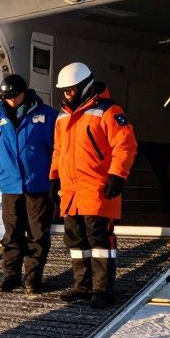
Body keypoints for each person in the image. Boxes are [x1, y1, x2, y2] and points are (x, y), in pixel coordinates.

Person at [49, 62, 138, 309]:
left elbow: (125, 146)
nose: (67, 94)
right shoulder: (62, 117)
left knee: (100, 240)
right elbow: (58, 151)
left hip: (97, 188)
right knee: (76, 241)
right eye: (64, 90)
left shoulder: (109, 111)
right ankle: (82, 287)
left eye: (71, 90)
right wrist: (53, 177)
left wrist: (117, 176)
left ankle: (102, 290)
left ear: (86, 85)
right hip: (70, 191)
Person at [0, 74, 58, 294]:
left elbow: (59, 148)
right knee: (12, 234)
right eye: (5, 97)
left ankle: (33, 279)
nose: (10, 101)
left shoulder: (47, 116)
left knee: (37, 235)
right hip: (10, 187)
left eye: (13, 96)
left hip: (38, 186)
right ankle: (11, 276)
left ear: (23, 93)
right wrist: (10, 163)